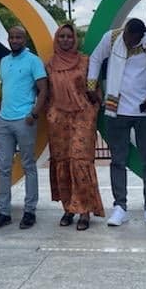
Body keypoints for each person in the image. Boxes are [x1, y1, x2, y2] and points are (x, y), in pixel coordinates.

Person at [87, 18, 146, 229]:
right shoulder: (111, 38)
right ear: (125, 30)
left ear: (141, 36)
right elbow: (95, 59)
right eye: (128, 37)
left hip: (144, 110)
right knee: (118, 161)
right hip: (116, 109)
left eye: (134, 40)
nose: (129, 42)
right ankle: (120, 207)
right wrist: (91, 86)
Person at [45, 24, 105, 231]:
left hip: (82, 117)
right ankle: (68, 208)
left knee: (80, 161)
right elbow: (46, 92)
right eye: (61, 36)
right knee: (62, 162)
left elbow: (95, 88)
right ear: (56, 39)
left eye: (69, 36)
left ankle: (85, 210)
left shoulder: (86, 61)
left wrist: (92, 109)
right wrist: (51, 113)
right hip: (58, 119)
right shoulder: (50, 65)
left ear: (75, 39)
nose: (65, 40)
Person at [0, 26, 48, 231]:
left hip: (24, 120)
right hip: (4, 121)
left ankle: (30, 210)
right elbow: (4, 87)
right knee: (3, 167)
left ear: (25, 39)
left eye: (19, 37)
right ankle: (4, 212)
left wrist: (34, 114)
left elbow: (43, 90)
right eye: (12, 37)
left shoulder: (33, 61)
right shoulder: (4, 61)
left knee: (28, 165)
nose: (15, 40)